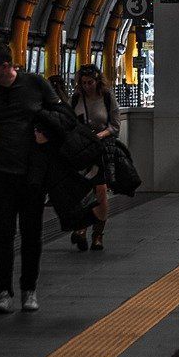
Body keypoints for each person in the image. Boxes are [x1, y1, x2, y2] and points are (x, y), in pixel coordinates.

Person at [0, 41, 63, 314]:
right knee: (3, 235)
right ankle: (4, 291)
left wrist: (47, 133)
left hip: (32, 174)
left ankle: (29, 289)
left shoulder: (35, 85)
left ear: (6, 65)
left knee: (32, 234)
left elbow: (60, 115)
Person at [69, 65, 120, 252]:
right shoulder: (75, 99)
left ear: (98, 81)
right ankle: (81, 228)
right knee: (81, 191)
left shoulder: (107, 98)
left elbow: (115, 125)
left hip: (100, 151)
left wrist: (99, 135)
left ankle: (97, 234)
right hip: (81, 151)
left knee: (100, 191)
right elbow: (69, 121)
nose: (87, 86)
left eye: (90, 82)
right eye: (83, 83)